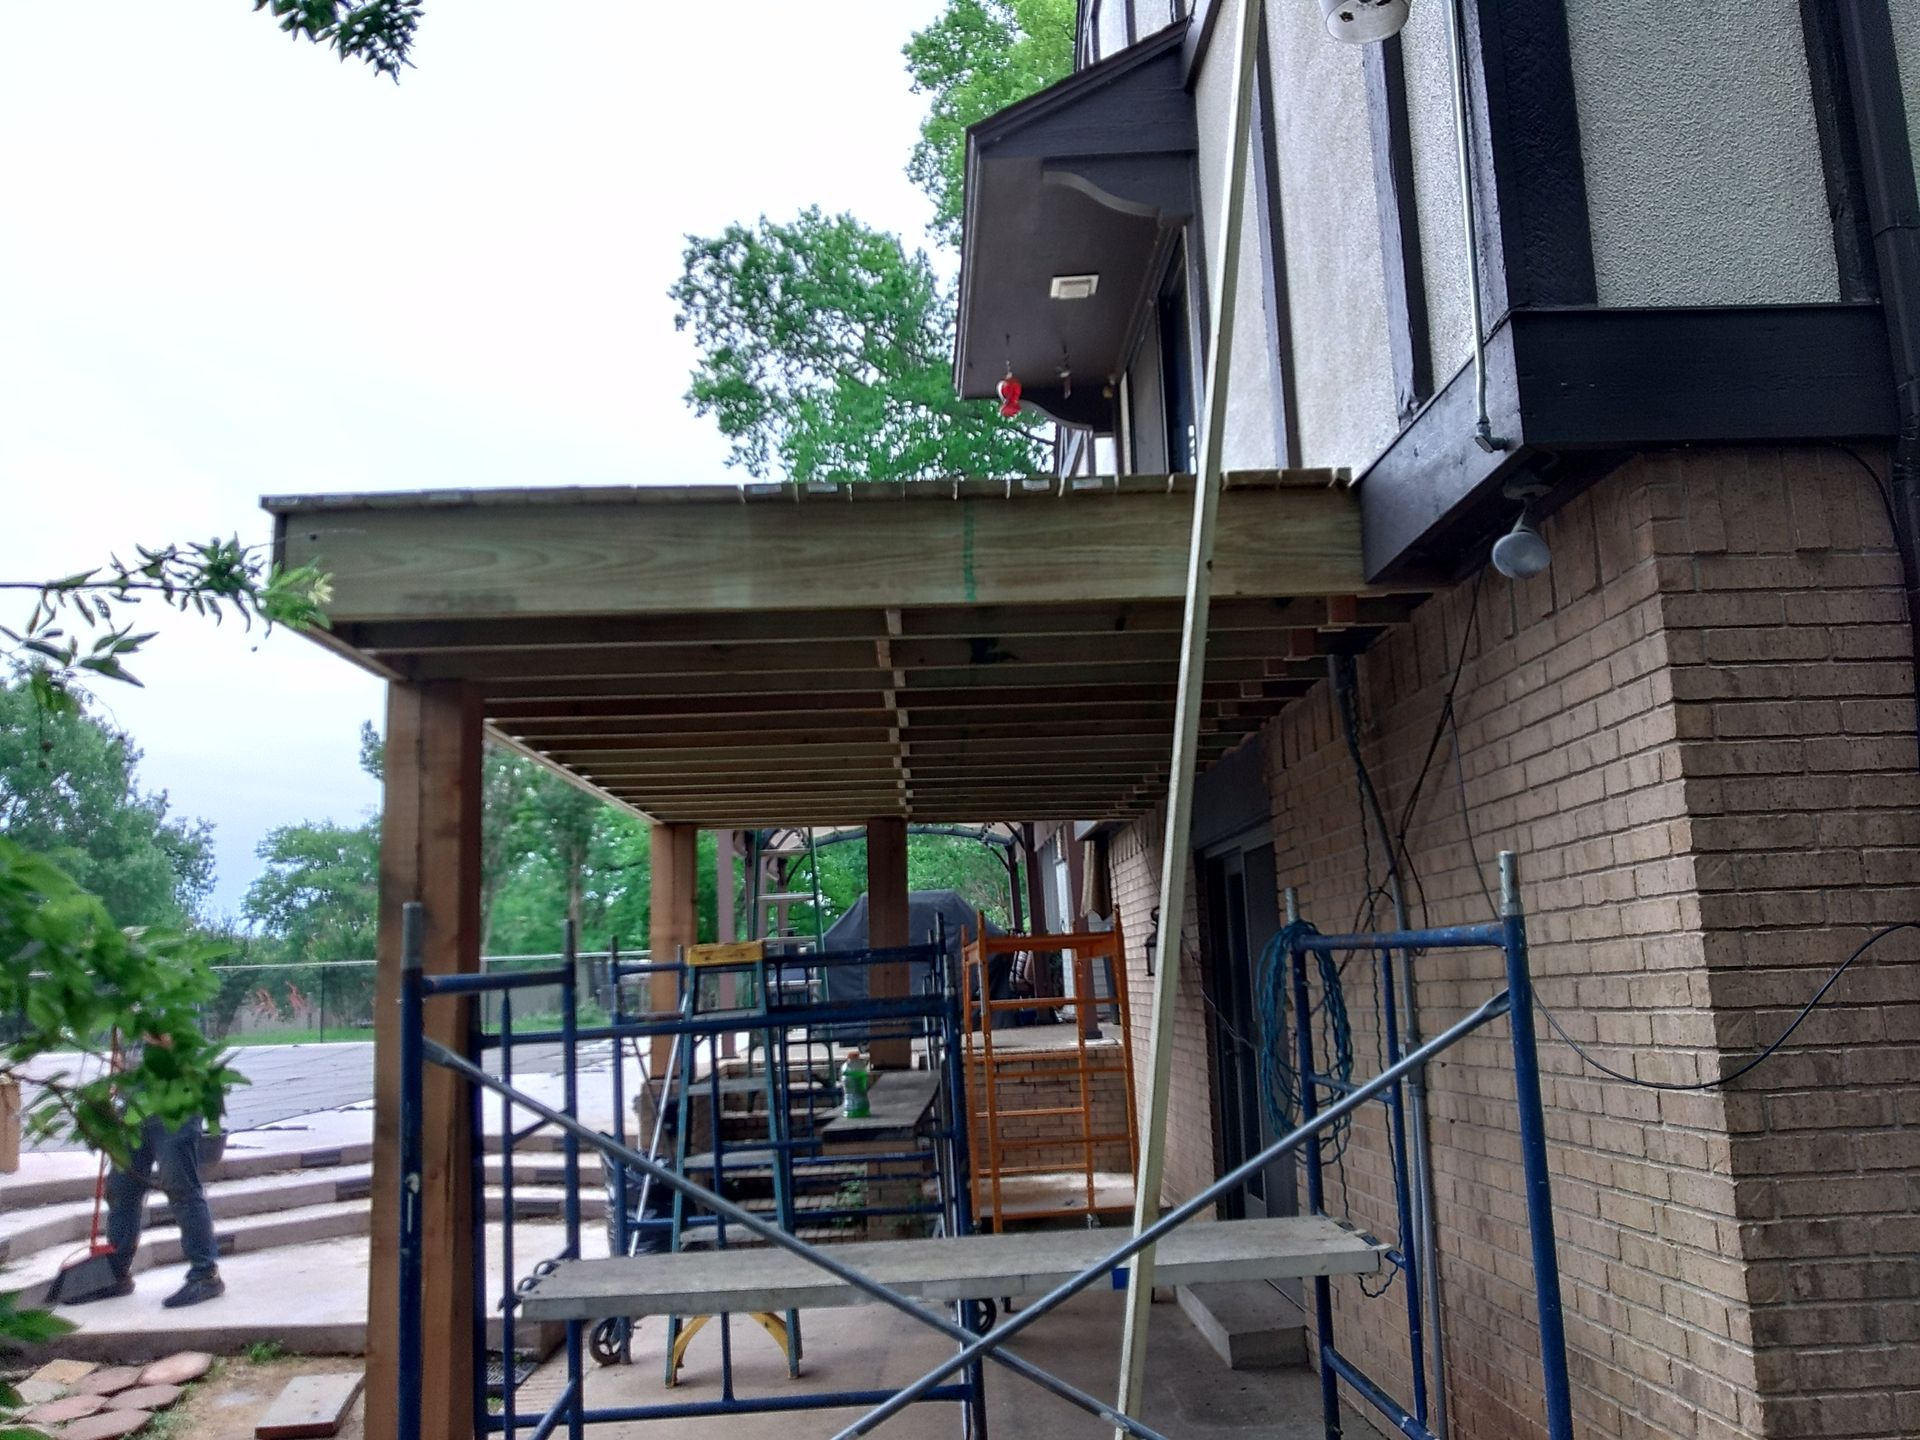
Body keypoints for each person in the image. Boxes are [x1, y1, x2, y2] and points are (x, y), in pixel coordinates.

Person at [97, 1112, 225, 1308]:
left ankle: (205, 1274)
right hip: (135, 1109)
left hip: (175, 1109)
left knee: (182, 1188)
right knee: (121, 1187)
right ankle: (116, 1271)